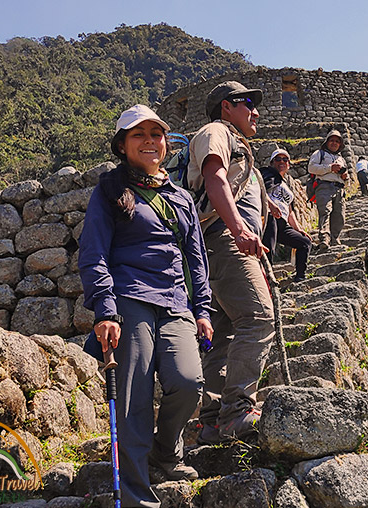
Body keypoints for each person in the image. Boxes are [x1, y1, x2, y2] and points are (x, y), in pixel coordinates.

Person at [79, 104, 213, 507]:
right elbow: (93, 253)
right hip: (129, 299)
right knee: (134, 398)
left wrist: (202, 309)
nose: (150, 142)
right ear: (122, 145)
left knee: (189, 383)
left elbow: (195, 257)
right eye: (139, 135)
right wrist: (105, 309)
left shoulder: (180, 197)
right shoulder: (109, 191)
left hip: (175, 303)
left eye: (156, 134)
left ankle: (165, 451)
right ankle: (138, 496)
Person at [186, 81, 275, 444]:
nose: (255, 111)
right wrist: (239, 231)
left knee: (222, 332)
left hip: (215, 245)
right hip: (223, 239)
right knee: (258, 317)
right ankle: (237, 409)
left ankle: (211, 421)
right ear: (226, 106)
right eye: (247, 103)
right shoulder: (216, 131)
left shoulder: (241, 148)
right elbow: (214, 176)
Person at [261, 148, 312, 282]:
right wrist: (271, 205)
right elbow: (258, 189)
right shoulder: (265, 174)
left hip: (282, 222)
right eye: (278, 159)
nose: (282, 162)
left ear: (289, 164)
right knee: (268, 248)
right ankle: (267, 279)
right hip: (268, 217)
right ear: (272, 163)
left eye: (285, 159)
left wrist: (298, 228)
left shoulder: (286, 184)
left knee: (304, 242)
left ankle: (300, 277)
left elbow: (289, 211)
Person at [308, 130, 348, 250]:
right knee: (325, 211)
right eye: (332, 140)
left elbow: (347, 178)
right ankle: (324, 238)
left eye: (337, 141)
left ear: (340, 145)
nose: (334, 143)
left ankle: (335, 239)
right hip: (324, 186)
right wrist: (330, 168)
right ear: (327, 142)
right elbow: (311, 168)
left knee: (339, 215)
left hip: (339, 189)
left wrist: (345, 177)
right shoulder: (319, 154)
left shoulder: (341, 159)